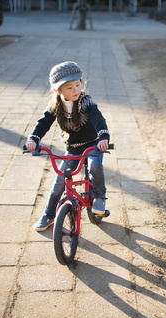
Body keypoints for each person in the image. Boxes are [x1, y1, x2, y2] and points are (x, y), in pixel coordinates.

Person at [25, 61, 110, 231]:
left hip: (93, 145)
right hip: (73, 148)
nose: (76, 90)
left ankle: (99, 196)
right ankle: (49, 214)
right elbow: (43, 123)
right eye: (69, 88)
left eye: (78, 85)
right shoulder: (56, 105)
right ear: (58, 91)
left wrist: (103, 136)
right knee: (59, 183)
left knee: (94, 167)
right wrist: (34, 139)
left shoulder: (86, 101)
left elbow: (97, 117)